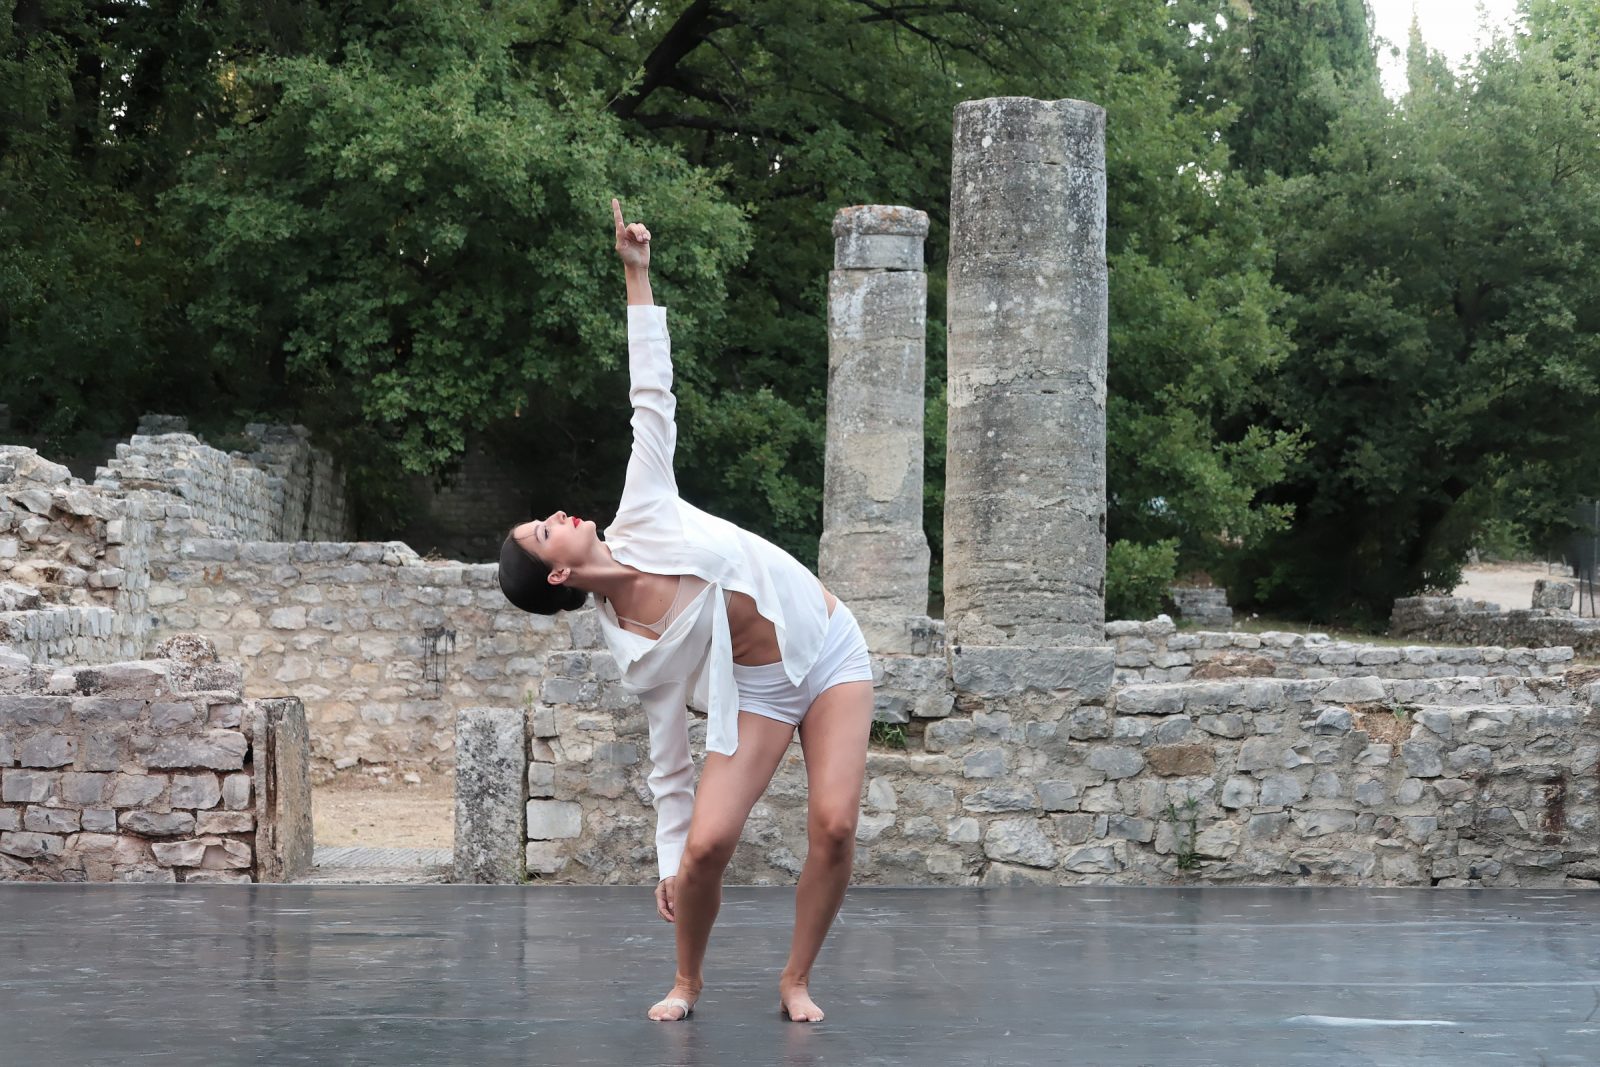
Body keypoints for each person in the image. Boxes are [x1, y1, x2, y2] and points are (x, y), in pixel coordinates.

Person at [497, 199, 875, 1024]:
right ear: (557, 576)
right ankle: (688, 980)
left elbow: (650, 395)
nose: (558, 513)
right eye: (542, 529)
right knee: (705, 846)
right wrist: (669, 858)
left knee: (836, 825)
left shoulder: (644, 505)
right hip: (764, 690)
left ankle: (795, 979)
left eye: (546, 514)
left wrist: (637, 275)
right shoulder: (635, 648)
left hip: (829, 645)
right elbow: (669, 762)